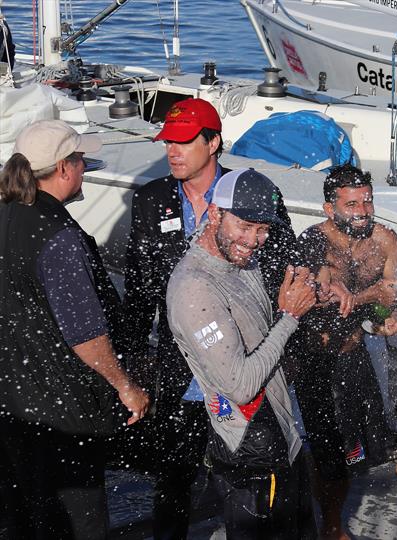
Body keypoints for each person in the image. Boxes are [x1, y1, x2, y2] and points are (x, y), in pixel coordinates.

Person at [117, 97, 295, 538]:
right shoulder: (151, 199)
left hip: (244, 361)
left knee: (248, 478)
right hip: (183, 369)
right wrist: (133, 359)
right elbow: (140, 287)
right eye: (167, 143)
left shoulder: (253, 191)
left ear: (213, 142)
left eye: (183, 142)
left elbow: (287, 260)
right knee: (174, 478)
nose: (172, 152)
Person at [0, 120, 149, 538]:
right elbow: (85, 335)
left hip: (10, 404)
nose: (84, 169)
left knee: (19, 516)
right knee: (80, 523)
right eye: (81, 160)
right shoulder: (58, 235)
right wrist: (125, 385)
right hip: (62, 413)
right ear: (64, 169)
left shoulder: (6, 214)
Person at [166, 168, 317, 538]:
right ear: (215, 213)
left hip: (280, 439)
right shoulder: (194, 288)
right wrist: (290, 317)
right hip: (250, 452)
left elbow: (260, 332)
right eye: (245, 226)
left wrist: (306, 296)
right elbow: (240, 385)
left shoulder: (241, 260)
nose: (254, 240)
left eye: (262, 229)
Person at [290, 164, 397, 540]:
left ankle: (332, 519)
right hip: (313, 358)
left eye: (367, 201)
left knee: (357, 447)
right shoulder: (313, 240)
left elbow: (392, 294)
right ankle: (324, 522)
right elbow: (317, 288)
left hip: (354, 355)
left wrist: (390, 315)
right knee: (322, 446)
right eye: (352, 203)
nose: (362, 210)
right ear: (329, 208)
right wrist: (350, 294)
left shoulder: (386, 241)